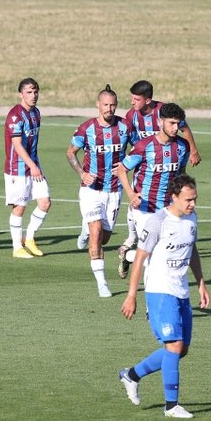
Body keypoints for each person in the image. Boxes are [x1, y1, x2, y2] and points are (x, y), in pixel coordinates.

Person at [119, 174, 209, 418]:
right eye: (188, 200)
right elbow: (139, 259)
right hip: (159, 290)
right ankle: (171, 405)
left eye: (195, 199)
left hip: (181, 290)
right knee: (174, 345)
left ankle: (131, 375)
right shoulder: (158, 222)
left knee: (181, 350)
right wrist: (131, 295)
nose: (193, 204)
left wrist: (200, 283)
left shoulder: (192, 218)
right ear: (174, 197)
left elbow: (192, 250)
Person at [117, 80, 201, 271]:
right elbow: (122, 170)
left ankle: (128, 255)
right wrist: (131, 195)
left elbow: (180, 174)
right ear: (159, 121)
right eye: (171, 123)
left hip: (167, 208)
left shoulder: (182, 146)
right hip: (145, 208)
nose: (174, 128)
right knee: (156, 257)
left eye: (177, 124)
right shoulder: (143, 147)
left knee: (164, 254)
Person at [66, 85, 133, 297]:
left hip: (113, 190)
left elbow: (139, 150)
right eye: (105, 105)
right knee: (96, 234)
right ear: (98, 104)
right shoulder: (86, 129)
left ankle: (85, 230)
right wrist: (81, 173)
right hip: (91, 189)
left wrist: (126, 165)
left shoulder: (125, 127)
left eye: (113, 105)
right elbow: (70, 153)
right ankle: (102, 283)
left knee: (104, 238)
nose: (109, 109)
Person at [3, 77, 51, 259]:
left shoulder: (36, 113)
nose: (33, 95)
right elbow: (17, 144)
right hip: (17, 169)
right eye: (29, 92)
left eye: (35, 92)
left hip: (33, 166)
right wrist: (32, 166)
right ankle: (17, 248)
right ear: (21, 94)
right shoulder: (15, 116)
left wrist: (34, 165)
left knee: (45, 202)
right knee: (19, 207)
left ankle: (29, 238)